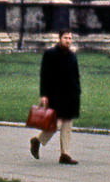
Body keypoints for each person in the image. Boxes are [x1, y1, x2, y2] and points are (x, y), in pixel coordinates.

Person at [30, 28, 80, 164]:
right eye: (65, 38)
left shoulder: (72, 55)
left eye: (70, 38)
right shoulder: (50, 54)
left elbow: (75, 75)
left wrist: (77, 91)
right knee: (56, 124)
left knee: (67, 125)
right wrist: (44, 94)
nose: (68, 41)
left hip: (70, 95)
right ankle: (37, 140)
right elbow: (44, 75)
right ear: (59, 39)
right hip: (55, 94)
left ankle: (65, 154)